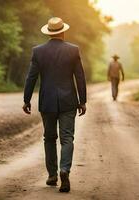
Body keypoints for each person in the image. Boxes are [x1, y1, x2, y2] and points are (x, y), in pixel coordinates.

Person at [22, 17, 87, 193]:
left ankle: (52, 175)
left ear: (49, 33)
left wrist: (26, 99)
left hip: (47, 101)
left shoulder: (38, 51)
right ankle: (64, 169)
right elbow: (80, 77)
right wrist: (82, 101)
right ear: (63, 32)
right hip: (68, 102)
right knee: (67, 138)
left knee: (49, 138)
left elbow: (31, 77)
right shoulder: (73, 50)